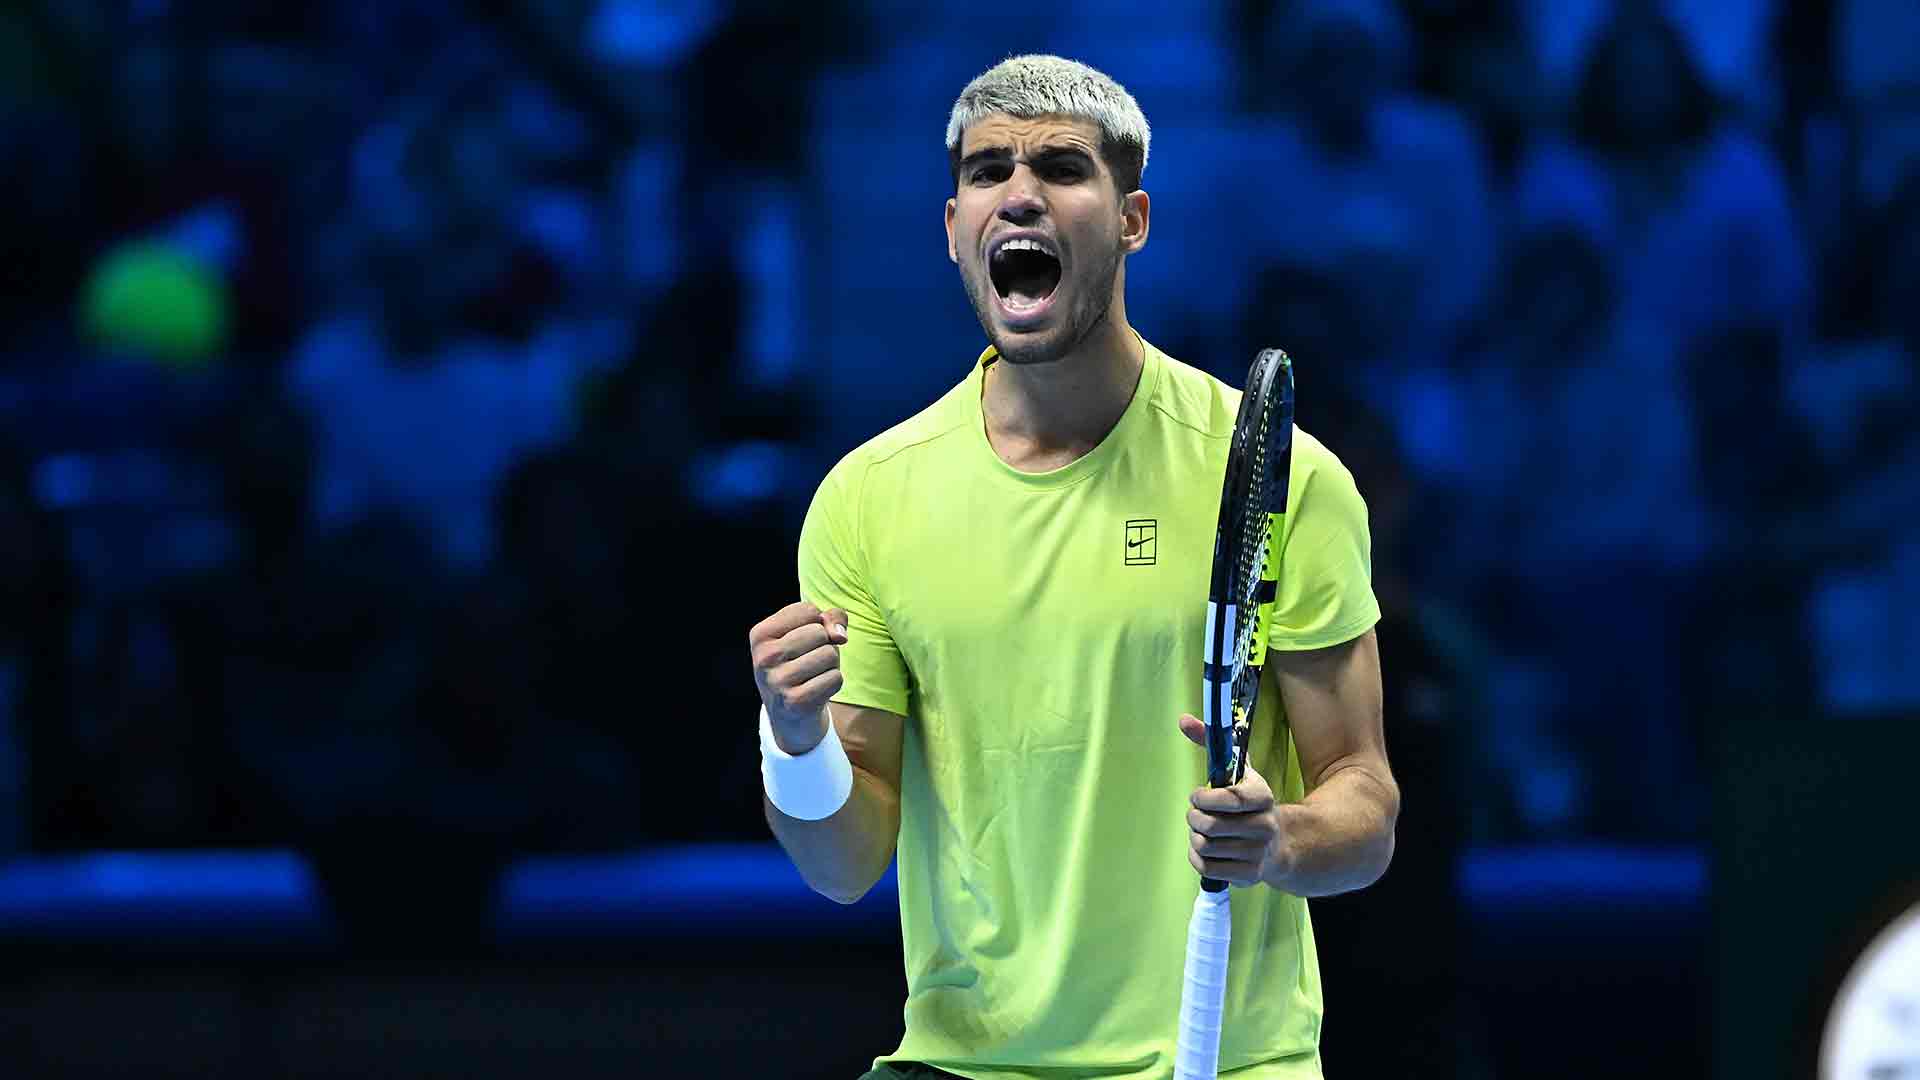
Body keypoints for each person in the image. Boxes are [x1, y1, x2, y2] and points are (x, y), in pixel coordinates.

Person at [747, 56, 1397, 1080]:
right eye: (987, 172)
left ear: (1132, 219)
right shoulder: (867, 498)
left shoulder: (1280, 479)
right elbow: (845, 865)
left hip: (1227, 1063)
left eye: (1060, 167)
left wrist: (1280, 840)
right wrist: (794, 743)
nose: (1019, 194)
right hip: (959, 1065)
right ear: (954, 227)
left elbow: (1365, 807)